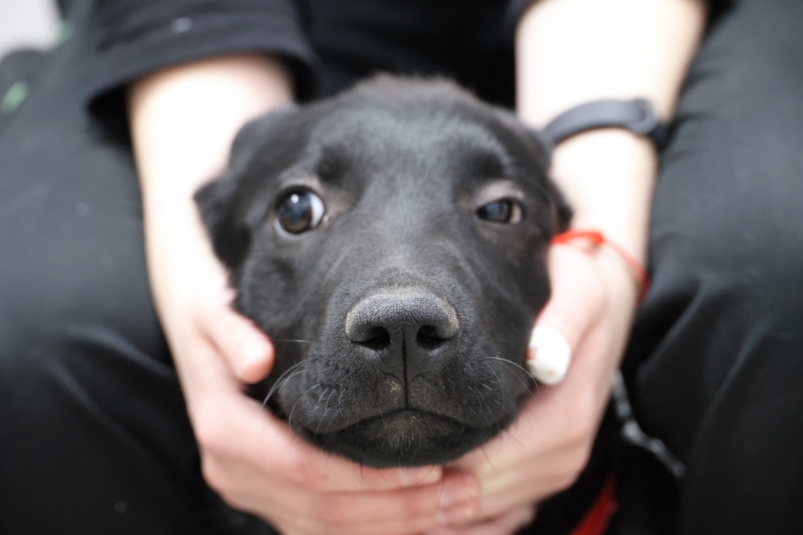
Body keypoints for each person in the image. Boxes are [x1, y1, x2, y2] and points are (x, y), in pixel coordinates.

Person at [1, 0, 801, 534]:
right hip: (228, 25)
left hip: (627, 23)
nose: (402, 313)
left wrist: (603, 234)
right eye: (301, 209)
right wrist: (196, 285)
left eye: (497, 210)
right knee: (40, 328)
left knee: (771, 256)